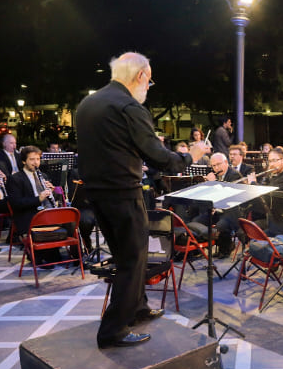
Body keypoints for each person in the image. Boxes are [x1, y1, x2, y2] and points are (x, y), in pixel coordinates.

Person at [75, 51, 197, 349]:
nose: (148, 85)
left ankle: (138, 308)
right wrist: (189, 157)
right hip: (123, 194)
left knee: (125, 256)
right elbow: (158, 157)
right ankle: (112, 330)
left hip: (97, 195)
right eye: (149, 79)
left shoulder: (87, 104)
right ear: (141, 75)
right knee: (133, 260)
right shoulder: (129, 106)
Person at [5, 146, 62, 265]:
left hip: (45, 213)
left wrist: (53, 192)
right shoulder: (15, 179)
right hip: (27, 216)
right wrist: (38, 199)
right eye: (32, 159)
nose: (36, 162)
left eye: (38, 159)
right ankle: (42, 253)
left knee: (70, 220)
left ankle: (77, 255)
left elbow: (52, 199)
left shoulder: (43, 176)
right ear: (24, 161)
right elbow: (16, 204)